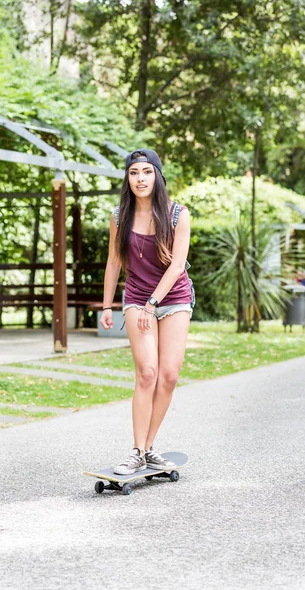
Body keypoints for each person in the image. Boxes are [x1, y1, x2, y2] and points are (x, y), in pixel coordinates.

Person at [100, 148, 194, 475]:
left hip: (173, 297)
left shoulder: (178, 215)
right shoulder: (118, 217)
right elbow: (114, 262)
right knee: (148, 373)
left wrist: (154, 304)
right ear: (127, 178)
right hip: (137, 297)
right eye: (134, 172)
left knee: (168, 376)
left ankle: (149, 448)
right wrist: (107, 305)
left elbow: (178, 266)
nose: (140, 178)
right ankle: (137, 450)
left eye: (146, 172)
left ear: (157, 175)